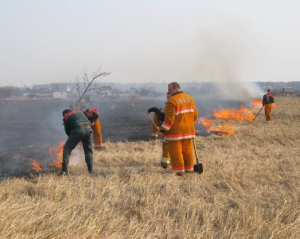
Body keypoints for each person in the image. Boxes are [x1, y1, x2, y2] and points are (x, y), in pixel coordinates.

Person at [159, 82, 198, 176]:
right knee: (188, 150)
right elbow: (195, 115)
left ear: (176, 89)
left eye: (170, 90)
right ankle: (189, 169)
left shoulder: (172, 101)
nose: (169, 92)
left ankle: (179, 171)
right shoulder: (190, 98)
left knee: (176, 151)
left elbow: (169, 120)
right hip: (189, 131)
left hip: (176, 133)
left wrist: (162, 130)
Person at [60, 109, 94, 175]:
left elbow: (68, 132)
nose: (64, 117)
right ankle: (91, 170)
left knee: (67, 148)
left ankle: (64, 170)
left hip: (79, 129)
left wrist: (75, 139)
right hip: (89, 129)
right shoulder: (80, 112)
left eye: (64, 115)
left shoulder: (66, 117)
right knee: (88, 150)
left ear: (65, 114)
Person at [147, 93, 171, 168]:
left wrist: (161, 128)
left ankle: (165, 164)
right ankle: (168, 163)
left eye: (169, 97)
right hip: (167, 129)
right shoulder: (167, 106)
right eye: (167, 97)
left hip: (170, 131)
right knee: (167, 147)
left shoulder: (171, 106)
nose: (168, 98)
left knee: (167, 147)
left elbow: (169, 120)